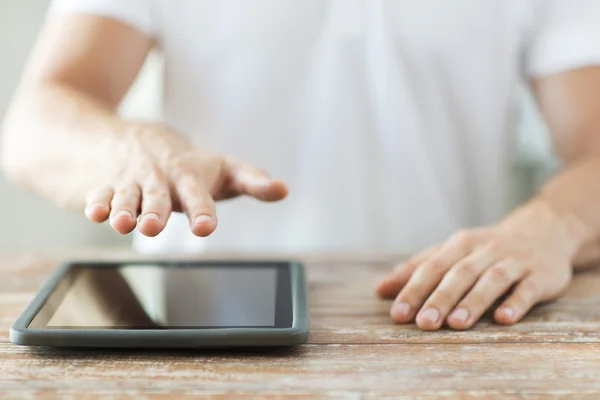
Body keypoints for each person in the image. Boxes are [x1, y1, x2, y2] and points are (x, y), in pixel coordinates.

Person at [3, 0, 600, 332]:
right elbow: (34, 123)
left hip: (440, 320)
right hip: (186, 331)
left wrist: (554, 225)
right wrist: (128, 146)